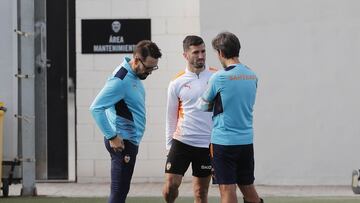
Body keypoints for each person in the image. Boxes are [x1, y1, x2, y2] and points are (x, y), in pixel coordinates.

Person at [89, 40, 162, 203]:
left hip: (129, 140)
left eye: (153, 68)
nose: (150, 72)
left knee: (121, 191)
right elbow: (96, 108)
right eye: (148, 67)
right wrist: (112, 136)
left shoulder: (134, 75)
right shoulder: (120, 80)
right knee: (118, 192)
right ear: (136, 59)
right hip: (122, 142)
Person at [197, 32, 264, 203]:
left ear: (220, 53)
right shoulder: (252, 75)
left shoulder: (219, 77)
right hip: (246, 141)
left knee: (227, 189)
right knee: (248, 187)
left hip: (224, 141)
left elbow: (203, 105)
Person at [163, 35, 216, 203]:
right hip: (182, 142)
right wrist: (169, 145)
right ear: (185, 55)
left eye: (203, 51)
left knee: (201, 193)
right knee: (171, 186)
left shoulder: (217, 77)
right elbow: (170, 116)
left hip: (206, 145)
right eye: (195, 52)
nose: (201, 56)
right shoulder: (176, 82)